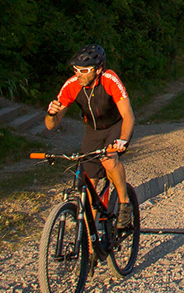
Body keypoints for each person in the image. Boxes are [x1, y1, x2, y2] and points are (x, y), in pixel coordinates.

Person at [45, 45, 136, 226]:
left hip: (115, 126)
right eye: (76, 70)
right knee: (89, 185)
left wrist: (123, 140)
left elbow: (128, 116)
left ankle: (125, 203)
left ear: (98, 69)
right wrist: (51, 114)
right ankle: (91, 242)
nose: (79, 74)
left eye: (85, 71)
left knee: (109, 160)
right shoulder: (71, 86)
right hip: (93, 130)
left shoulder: (110, 79)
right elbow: (50, 126)